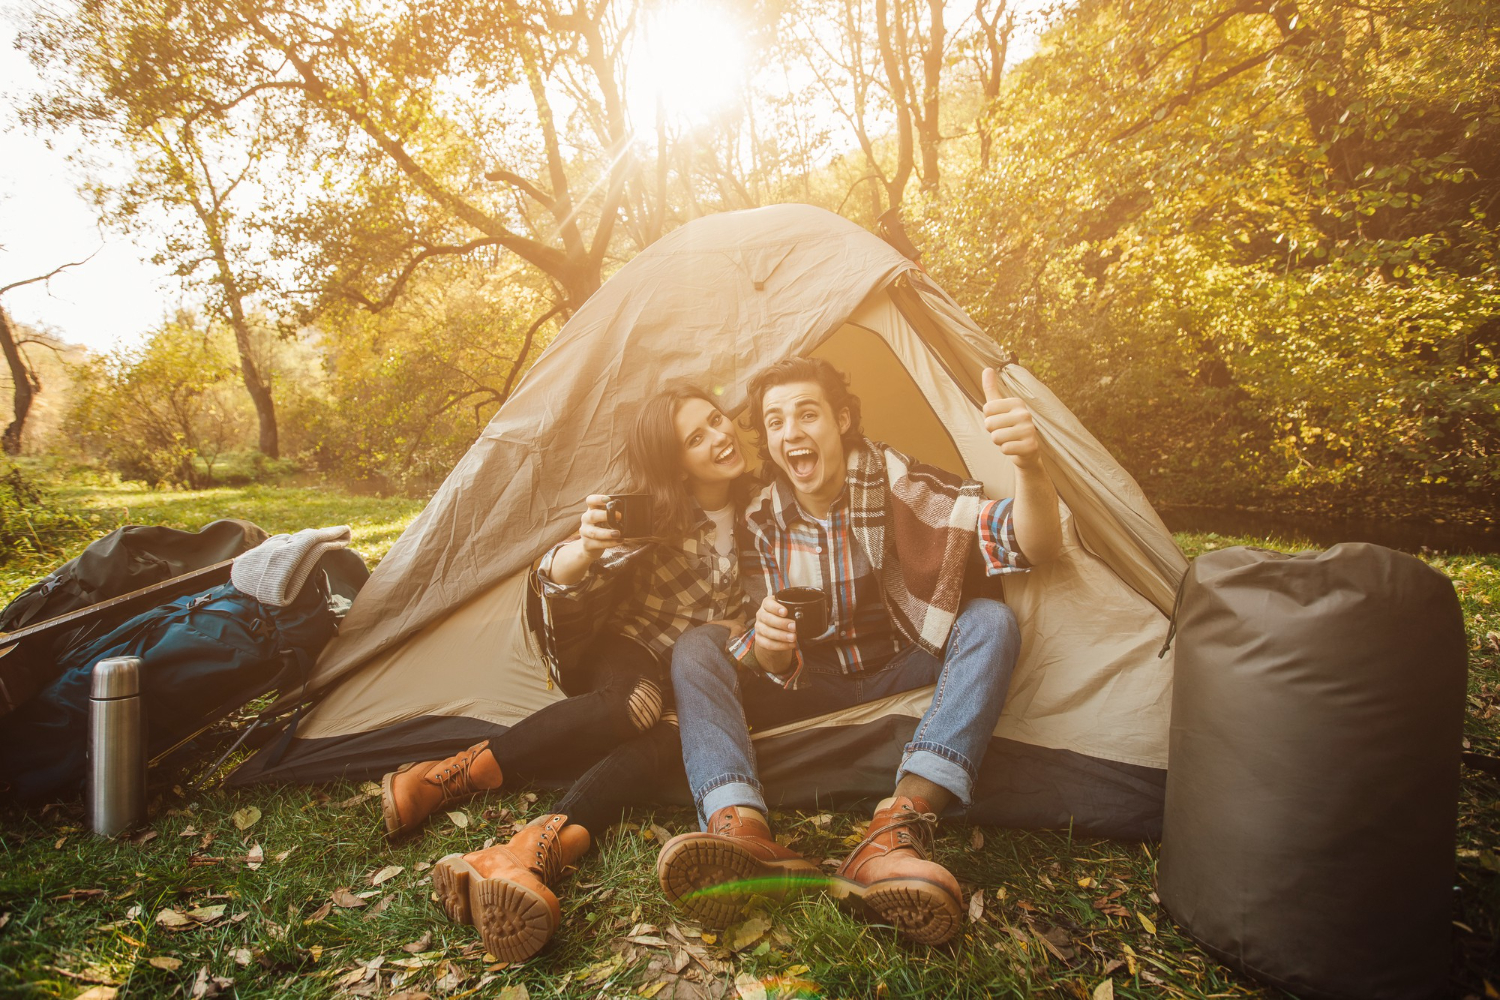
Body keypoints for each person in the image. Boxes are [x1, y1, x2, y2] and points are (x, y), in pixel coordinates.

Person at [655, 357, 1064, 945]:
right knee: (696, 647)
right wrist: (769, 649)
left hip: (904, 660)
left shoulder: (900, 483)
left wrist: (1028, 464)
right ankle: (740, 829)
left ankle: (895, 832)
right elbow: (770, 660)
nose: (790, 432)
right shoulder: (760, 518)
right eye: (775, 421)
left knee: (990, 620)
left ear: (841, 420)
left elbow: (1033, 544)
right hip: (813, 678)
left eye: (807, 414)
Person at [378, 381, 752, 962]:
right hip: (630, 647)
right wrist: (584, 549)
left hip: (693, 671)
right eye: (695, 438)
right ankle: (448, 777)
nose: (719, 437)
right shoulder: (658, 510)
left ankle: (528, 852)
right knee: (635, 703)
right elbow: (565, 570)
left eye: (717, 420)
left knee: (668, 739)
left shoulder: (763, 505)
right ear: (676, 462)